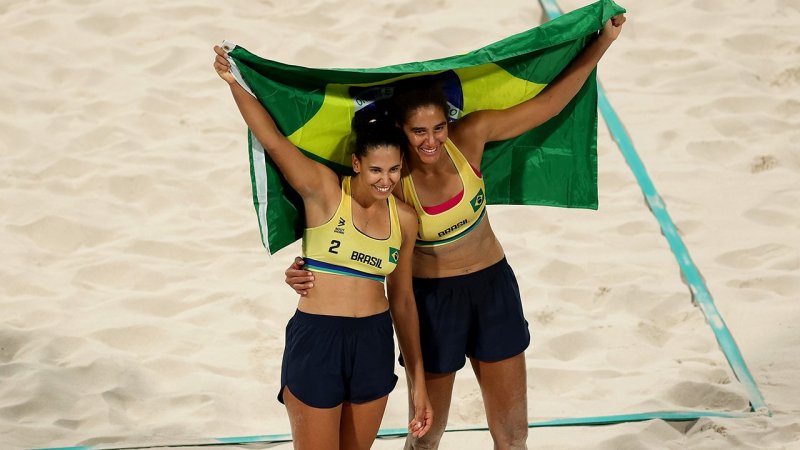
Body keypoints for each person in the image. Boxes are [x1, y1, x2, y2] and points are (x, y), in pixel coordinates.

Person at [284, 15, 626, 450]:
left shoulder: (471, 137)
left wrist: (602, 44)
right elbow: (339, 215)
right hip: (433, 300)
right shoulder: (392, 177)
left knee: (513, 435)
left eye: (439, 128)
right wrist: (304, 268)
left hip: (493, 286)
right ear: (402, 134)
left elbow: (550, 106)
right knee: (426, 438)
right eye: (419, 132)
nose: (432, 140)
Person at [213, 45, 433, 450]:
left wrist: (418, 383)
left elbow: (403, 300)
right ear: (355, 164)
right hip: (318, 338)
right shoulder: (325, 193)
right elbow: (275, 142)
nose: (385, 180)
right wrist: (235, 82)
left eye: (395, 169)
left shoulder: (404, 218)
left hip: (373, 340)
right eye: (375, 170)